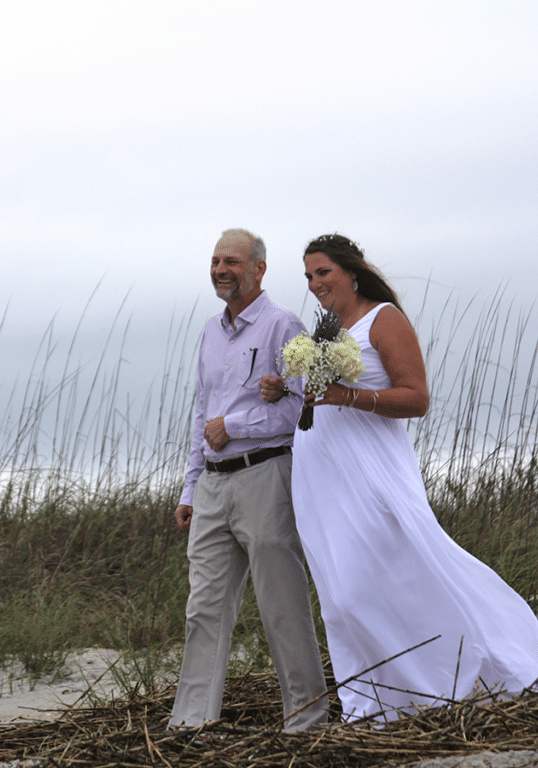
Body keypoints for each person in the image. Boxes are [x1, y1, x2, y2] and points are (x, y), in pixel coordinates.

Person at [260, 233, 538, 721]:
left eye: (324, 273)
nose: (315, 284)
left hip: (370, 473)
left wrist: (347, 396)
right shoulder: (328, 329)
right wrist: (287, 391)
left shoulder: (384, 319)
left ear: (351, 271)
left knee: (389, 578)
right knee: (339, 598)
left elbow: (416, 399)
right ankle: (376, 706)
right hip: (321, 476)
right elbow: (323, 398)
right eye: (309, 276)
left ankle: (489, 665)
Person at [169, 228, 328, 733]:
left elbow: (300, 409)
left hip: (265, 475)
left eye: (232, 261)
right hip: (213, 486)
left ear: (259, 268)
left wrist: (232, 426)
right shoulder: (210, 332)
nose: (221, 269)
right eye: (215, 260)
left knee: (282, 606)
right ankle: (192, 723)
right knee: (204, 608)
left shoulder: (285, 326)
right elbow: (201, 413)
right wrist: (190, 487)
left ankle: (307, 719)